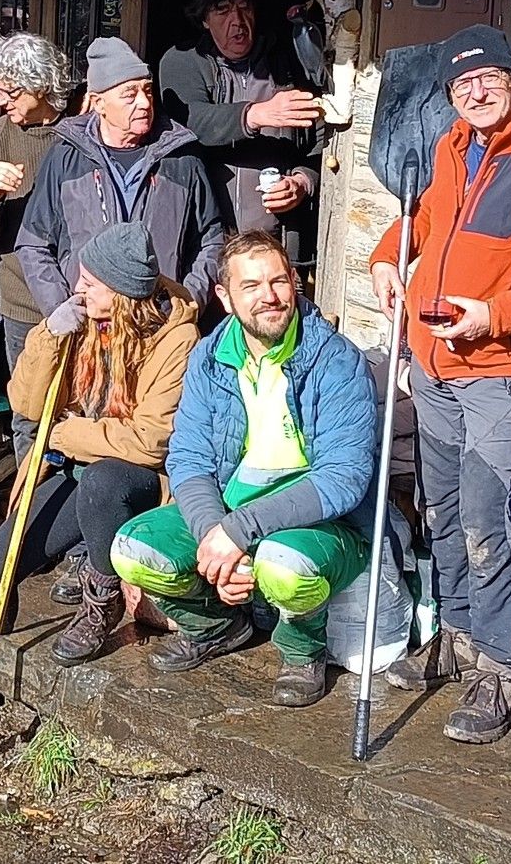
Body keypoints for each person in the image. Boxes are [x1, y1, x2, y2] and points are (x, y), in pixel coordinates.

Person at [367, 23, 511, 746]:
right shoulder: (449, 147)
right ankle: (456, 634)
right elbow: (427, 218)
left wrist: (496, 313)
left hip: (497, 368)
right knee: (442, 507)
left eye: (487, 77)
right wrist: (381, 255)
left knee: (483, 520)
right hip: (432, 360)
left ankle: (501, 665)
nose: (475, 90)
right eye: (462, 83)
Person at [110, 232, 377, 707]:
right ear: (225, 298)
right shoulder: (209, 359)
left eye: (279, 281)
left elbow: (344, 477)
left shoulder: (335, 360)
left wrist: (237, 531)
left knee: (284, 565)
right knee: (133, 550)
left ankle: (301, 651)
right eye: (251, 286)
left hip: (318, 522)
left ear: (295, 283)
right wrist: (216, 535)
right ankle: (215, 625)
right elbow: (188, 459)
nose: (269, 296)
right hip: (230, 505)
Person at [0, 225, 195, 665]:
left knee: (102, 482)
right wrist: (49, 336)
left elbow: (151, 441)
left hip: (139, 483)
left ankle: (102, 597)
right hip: (75, 469)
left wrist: (65, 435)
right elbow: (26, 403)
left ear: (121, 291)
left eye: (90, 283)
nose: (78, 289)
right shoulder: (83, 325)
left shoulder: (177, 340)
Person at [17, 38, 229, 325]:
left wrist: (188, 303)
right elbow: (33, 244)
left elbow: (212, 239)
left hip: (160, 327)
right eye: (130, 94)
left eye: (147, 91)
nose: (144, 103)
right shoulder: (65, 158)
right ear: (99, 103)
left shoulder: (181, 158)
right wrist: (60, 308)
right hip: (89, 329)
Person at [156, 0, 324, 268]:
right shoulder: (182, 61)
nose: (238, 21)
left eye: (245, 7)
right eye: (222, 11)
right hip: (205, 251)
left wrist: (302, 182)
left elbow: (319, 143)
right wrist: (255, 114)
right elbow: (189, 122)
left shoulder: (287, 65)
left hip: (278, 248)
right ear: (204, 19)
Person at [0, 33, 76, 448]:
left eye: (9, 92)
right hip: (23, 307)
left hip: (81, 302)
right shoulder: (1, 135)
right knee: (28, 417)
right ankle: (29, 511)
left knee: (78, 416)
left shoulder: (79, 132)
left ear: (40, 85)